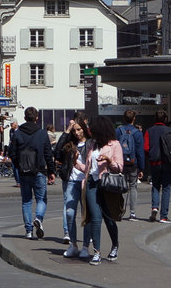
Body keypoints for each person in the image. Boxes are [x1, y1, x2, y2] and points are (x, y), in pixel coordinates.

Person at [8, 106, 55, 239]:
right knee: (41, 199)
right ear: (37, 118)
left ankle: (28, 231)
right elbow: (48, 154)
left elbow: (12, 152)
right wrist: (51, 171)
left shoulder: (17, 133)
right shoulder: (42, 134)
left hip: (24, 172)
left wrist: (19, 166)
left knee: (26, 201)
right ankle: (38, 219)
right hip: (39, 170)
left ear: (24, 118)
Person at [83, 115, 123, 264]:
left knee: (109, 218)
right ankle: (97, 252)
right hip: (91, 184)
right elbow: (88, 167)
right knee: (95, 218)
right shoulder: (91, 145)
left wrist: (108, 160)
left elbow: (119, 167)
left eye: (92, 128)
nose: (89, 130)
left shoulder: (115, 145)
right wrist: (76, 164)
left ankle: (115, 245)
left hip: (107, 184)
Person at [57, 119, 88, 258]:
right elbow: (57, 152)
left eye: (79, 129)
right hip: (72, 181)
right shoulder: (70, 144)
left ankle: (86, 246)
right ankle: (73, 244)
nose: (77, 133)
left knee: (87, 215)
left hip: (86, 182)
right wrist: (67, 131)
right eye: (74, 130)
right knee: (70, 213)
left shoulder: (90, 143)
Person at [144, 108, 171, 224]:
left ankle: (154, 207)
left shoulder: (149, 131)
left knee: (155, 186)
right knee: (167, 188)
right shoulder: (170, 130)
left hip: (154, 162)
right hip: (166, 162)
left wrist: (150, 156)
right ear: (165, 119)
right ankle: (164, 216)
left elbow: (146, 147)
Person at [114, 109, 145, 221]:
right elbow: (140, 151)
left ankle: (118, 210)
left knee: (119, 187)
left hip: (120, 163)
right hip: (133, 163)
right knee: (133, 187)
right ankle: (132, 213)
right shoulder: (137, 133)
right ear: (134, 119)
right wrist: (141, 168)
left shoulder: (118, 131)